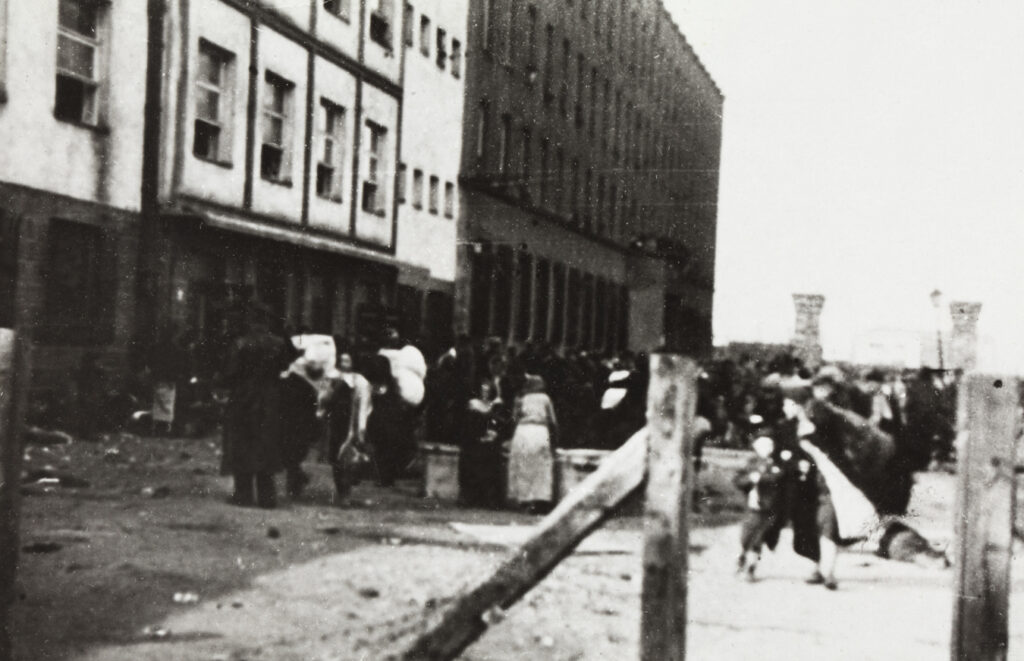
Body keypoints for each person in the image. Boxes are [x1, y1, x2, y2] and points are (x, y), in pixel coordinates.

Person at [220, 303, 293, 509]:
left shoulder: (240, 343)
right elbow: (286, 367)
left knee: (242, 443)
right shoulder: (279, 344)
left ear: (250, 321)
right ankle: (267, 496)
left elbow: (230, 373)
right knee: (267, 444)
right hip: (270, 398)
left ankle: (243, 494)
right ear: (268, 321)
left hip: (244, 398)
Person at [734, 426, 785, 582]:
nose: (766, 448)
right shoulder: (750, 463)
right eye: (762, 445)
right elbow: (737, 480)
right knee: (745, 537)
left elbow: (778, 478)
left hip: (769, 507)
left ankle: (751, 567)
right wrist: (750, 479)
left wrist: (761, 478)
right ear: (756, 446)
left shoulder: (776, 463)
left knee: (759, 538)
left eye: (770, 445)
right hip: (752, 507)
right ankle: (742, 554)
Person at [507, 374, 559, 513]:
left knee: (523, 465)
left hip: (523, 431)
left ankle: (524, 499)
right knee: (541, 465)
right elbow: (553, 420)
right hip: (540, 430)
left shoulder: (521, 399)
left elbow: (514, 418)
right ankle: (540, 499)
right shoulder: (545, 398)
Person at [325, 351, 372, 501]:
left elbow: (364, 406)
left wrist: (361, 429)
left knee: (348, 458)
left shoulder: (361, 382)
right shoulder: (332, 377)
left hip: (351, 423)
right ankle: (340, 491)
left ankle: (345, 493)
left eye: (348, 361)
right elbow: (324, 397)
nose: (344, 364)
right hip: (336, 422)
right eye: (342, 361)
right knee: (335, 458)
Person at [458, 380, 510, 508]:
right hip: (475, 441)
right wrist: (479, 436)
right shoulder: (474, 404)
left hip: (491, 442)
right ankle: (471, 498)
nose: (484, 393)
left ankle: (490, 500)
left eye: (487, 391)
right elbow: (469, 426)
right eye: (483, 390)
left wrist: (494, 435)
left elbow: (501, 425)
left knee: (492, 464)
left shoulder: (497, 405)